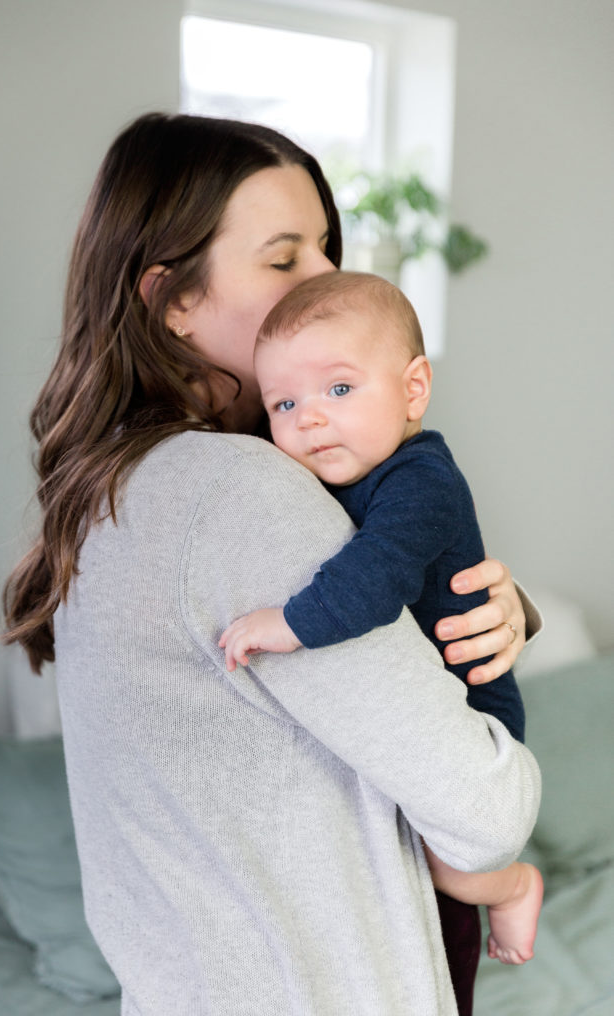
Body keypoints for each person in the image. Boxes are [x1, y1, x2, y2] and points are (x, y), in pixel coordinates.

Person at [2, 113, 541, 1016]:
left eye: (328, 249)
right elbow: (485, 809)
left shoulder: (106, 490)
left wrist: (503, 605)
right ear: (172, 300)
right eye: (284, 257)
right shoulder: (238, 492)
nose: (327, 279)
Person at [219, 269, 544, 966]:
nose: (308, 417)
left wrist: (285, 624)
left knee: (449, 864)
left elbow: (372, 579)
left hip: (471, 709)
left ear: (412, 389)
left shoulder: (421, 481)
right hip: (417, 708)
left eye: (338, 389)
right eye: (281, 403)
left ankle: (514, 888)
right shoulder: (322, 475)